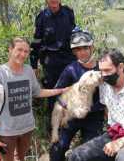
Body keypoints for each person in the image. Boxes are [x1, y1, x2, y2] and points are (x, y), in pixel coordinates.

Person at [68, 48, 124, 161]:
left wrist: (120, 142)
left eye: (107, 70)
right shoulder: (105, 86)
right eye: (101, 71)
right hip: (114, 134)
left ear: (120, 67)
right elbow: (106, 109)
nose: (104, 75)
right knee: (77, 156)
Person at [0, 37, 69, 161]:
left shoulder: (28, 71)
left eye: (26, 51)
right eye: (19, 50)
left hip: (27, 128)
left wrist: (60, 90)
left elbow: (37, 92)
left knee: (21, 158)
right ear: (10, 50)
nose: (22, 54)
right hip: (7, 131)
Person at [49, 28, 105, 161]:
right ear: (74, 52)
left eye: (85, 48)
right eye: (78, 49)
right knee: (58, 148)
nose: (82, 52)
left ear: (91, 48)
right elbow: (58, 93)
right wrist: (66, 107)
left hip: (94, 117)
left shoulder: (102, 68)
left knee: (90, 152)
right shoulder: (71, 70)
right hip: (72, 116)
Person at [30, 0, 76, 116]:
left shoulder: (68, 13)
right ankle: (52, 131)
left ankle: (69, 126)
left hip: (69, 61)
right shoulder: (42, 17)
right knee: (52, 96)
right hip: (51, 63)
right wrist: (34, 65)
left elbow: (74, 35)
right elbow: (36, 42)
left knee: (70, 93)